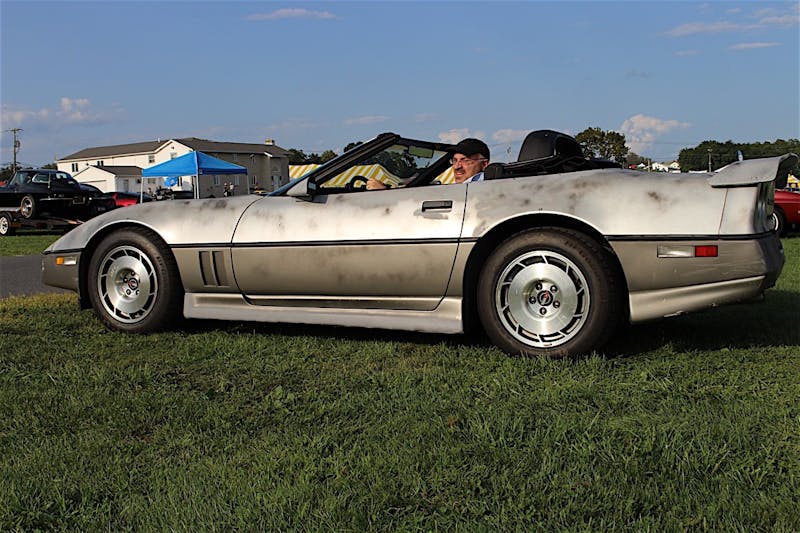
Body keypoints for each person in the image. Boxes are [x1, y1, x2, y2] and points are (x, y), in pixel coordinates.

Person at [365, 137, 490, 190]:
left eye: (465, 160)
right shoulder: (462, 188)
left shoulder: (482, 186)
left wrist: (384, 193)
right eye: (455, 160)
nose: (457, 166)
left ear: (484, 164)